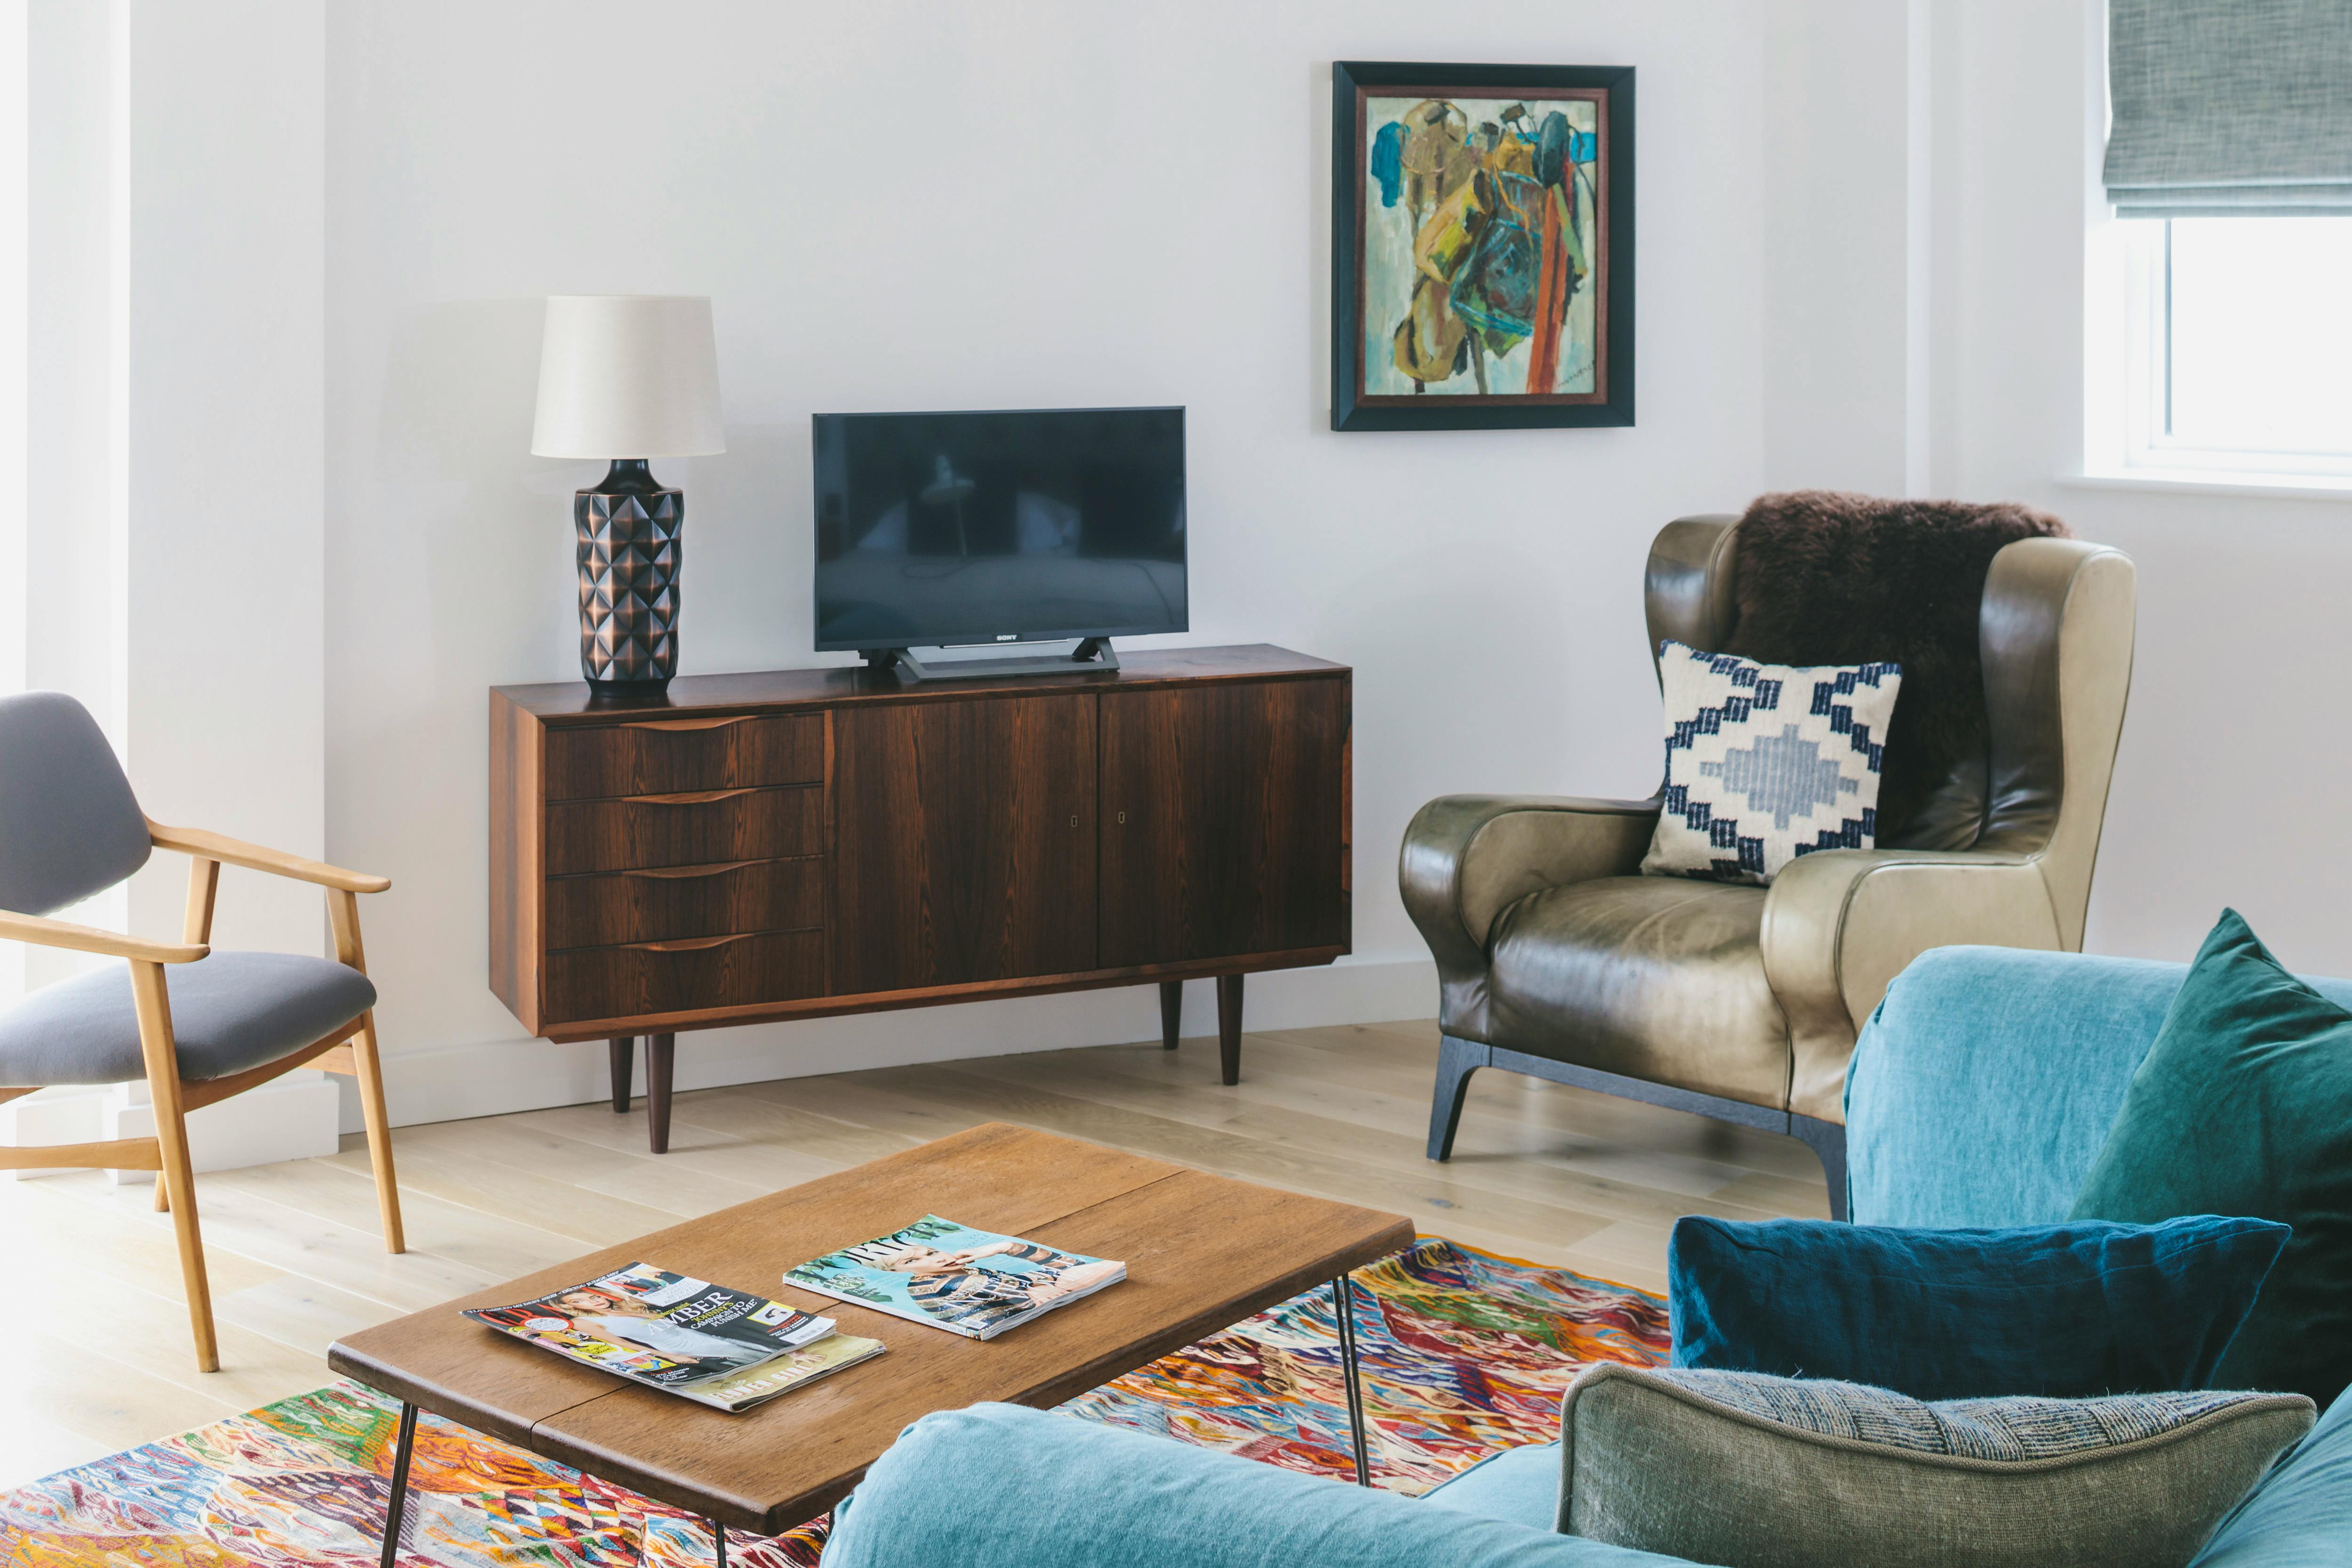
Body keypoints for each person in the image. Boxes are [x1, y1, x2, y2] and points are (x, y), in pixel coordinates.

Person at [551, 1287, 772, 1373]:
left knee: (765, 1350)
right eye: (580, 1301)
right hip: (684, 1346)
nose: (594, 1302)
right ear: (571, 1307)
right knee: (755, 1359)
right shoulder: (584, 1324)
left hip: (704, 1334)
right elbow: (626, 1345)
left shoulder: (623, 1306)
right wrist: (669, 1356)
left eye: (594, 1296)